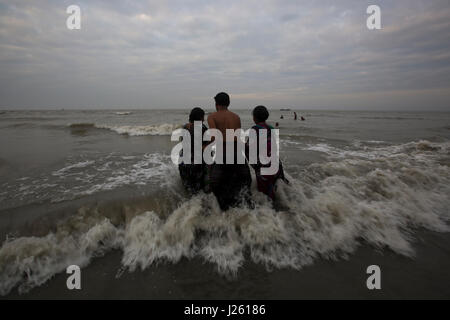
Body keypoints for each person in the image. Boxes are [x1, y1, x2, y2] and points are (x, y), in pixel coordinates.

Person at [207, 92, 252, 210]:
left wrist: (203, 146)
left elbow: (213, 136)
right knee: (244, 184)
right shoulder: (236, 117)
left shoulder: (212, 116)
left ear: (216, 104)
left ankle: (223, 212)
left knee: (215, 185)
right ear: (228, 103)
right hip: (237, 154)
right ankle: (248, 211)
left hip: (223, 154)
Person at [246, 106, 288, 200]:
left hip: (264, 167)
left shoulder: (255, 129)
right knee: (274, 192)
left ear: (254, 117)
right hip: (276, 164)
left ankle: (269, 213)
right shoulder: (271, 128)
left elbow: (249, 149)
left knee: (265, 196)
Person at [178, 107, 208, 193]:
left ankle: (188, 206)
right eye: (203, 117)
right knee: (200, 190)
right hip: (196, 163)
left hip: (183, 162)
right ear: (200, 117)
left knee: (188, 190)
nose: (204, 119)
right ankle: (198, 205)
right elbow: (205, 146)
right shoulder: (202, 128)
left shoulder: (185, 127)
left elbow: (182, 141)